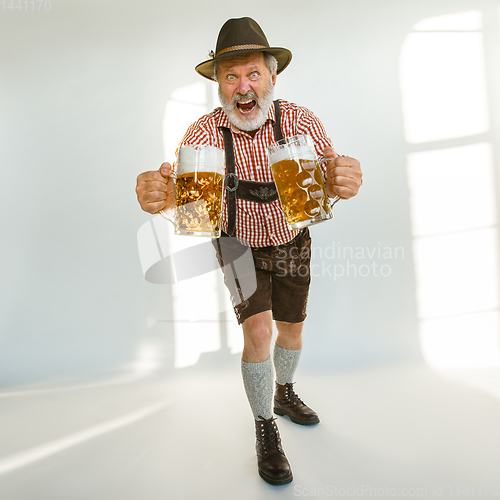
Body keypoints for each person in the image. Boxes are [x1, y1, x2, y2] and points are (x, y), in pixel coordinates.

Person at [136, 17, 362, 486]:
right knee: (258, 330)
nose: (244, 86)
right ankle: (265, 426)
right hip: (236, 241)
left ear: (272, 77)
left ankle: (284, 390)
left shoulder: (299, 120)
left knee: (291, 329)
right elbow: (187, 198)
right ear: (218, 83)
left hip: (291, 235)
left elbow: (328, 179)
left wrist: (345, 179)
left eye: (253, 74)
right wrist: (159, 193)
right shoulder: (203, 132)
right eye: (231, 76)